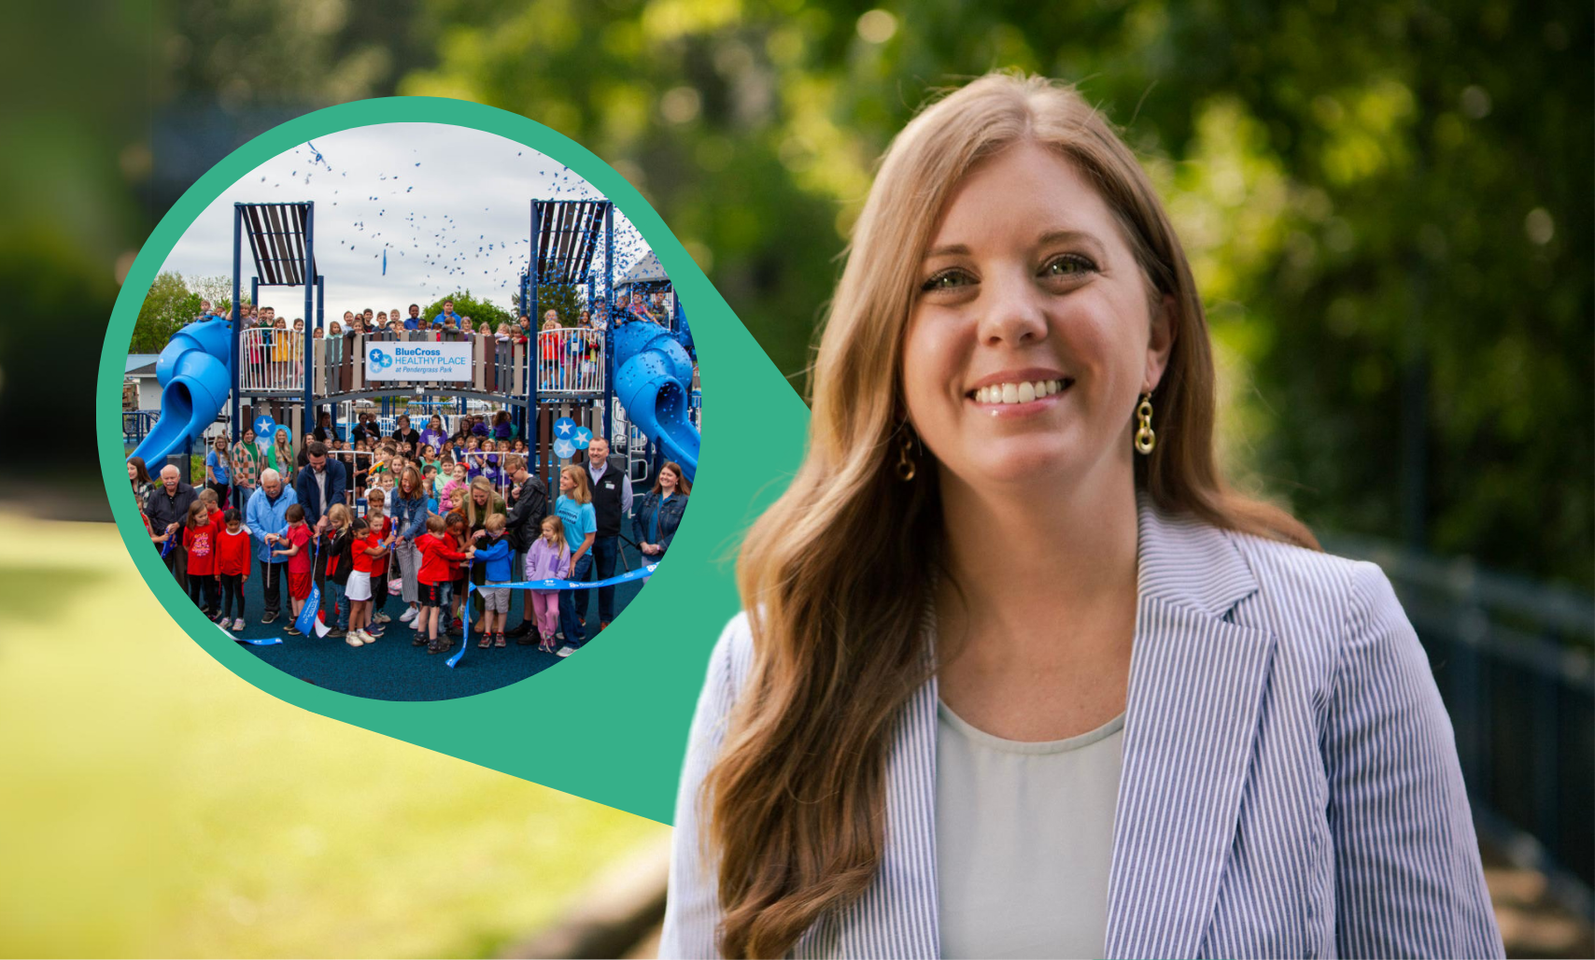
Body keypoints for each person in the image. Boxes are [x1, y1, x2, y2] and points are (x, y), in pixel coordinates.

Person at [659, 73, 1503, 960]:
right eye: (947, 280)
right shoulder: (770, 668)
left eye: (1065, 265)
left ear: (1157, 338)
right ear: (889, 351)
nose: (1011, 318)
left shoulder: (1335, 641)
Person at [576, 437, 632, 634]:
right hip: (583, 537)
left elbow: (626, 503)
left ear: (607, 451)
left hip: (607, 536)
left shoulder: (618, 476)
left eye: (599, 450)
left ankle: (606, 619)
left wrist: (608, 518)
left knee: (606, 578)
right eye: (592, 449)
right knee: (581, 578)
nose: (595, 453)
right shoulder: (579, 471)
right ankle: (579, 616)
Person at [553, 466, 596, 657]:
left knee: (563, 596)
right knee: (562, 596)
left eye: (565, 478)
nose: (561, 481)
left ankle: (573, 643)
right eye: (561, 477)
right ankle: (577, 630)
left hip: (581, 556)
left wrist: (574, 560)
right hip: (563, 554)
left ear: (576, 484)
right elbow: (557, 528)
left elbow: (590, 538)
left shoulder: (586, 508)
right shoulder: (561, 501)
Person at [414, 514, 473, 654]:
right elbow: (449, 554)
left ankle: (420, 635)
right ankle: (434, 642)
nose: (442, 536)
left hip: (423, 579)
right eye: (440, 533)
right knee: (435, 610)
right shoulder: (436, 543)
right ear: (430, 531)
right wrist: (465, 555)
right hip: (433, 580)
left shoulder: (426, 540)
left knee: (425, 607)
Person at [246, 468, 297, 624]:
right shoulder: (255, 497)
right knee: (270, 581)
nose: (272, 490)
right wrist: (264, 536)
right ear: (261, 484)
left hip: (288, 547)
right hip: (266, 548)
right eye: (267, 487)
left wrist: (278, 535)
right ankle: (271, 609)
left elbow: (294, 519)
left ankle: (292, 609)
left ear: (280, 481)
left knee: (292, 580)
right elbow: (251, 522)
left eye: (274, 486)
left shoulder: (291, 494)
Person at [522, 515, 570, 653]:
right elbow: (529, 561)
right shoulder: (538, 543)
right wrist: (532, 576)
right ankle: (544, 637)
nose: (544, 533)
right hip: (536, 586)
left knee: (553, 611)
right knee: (539, 613)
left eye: (548, 530)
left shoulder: (563, 547)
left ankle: (549, 633)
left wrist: (557, 580)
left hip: (552, 588)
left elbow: (564, 568)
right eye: (543, 530)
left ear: (556, 531)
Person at [389, 466, 429, 625]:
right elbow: (393, 511)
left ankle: (422, 609)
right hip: (401, 531)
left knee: (418, 571)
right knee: (405, 572)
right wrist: (393, 518)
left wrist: (404, 536)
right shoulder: (394, 492)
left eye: (410, 481)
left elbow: (419, 521)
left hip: (417, 534)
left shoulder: (423, 495)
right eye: (404, 480)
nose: (407, 484)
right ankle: (412, 606)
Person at [145, 464, 197, 582]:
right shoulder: (156, 495)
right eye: (166, 478)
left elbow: (194, 510)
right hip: (163, 542)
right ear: (162, 479)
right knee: (162, 575)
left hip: (183, 541)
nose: (169, 481)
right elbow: (150, 516)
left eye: (172, 478)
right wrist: (165, 531)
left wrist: (178, 524)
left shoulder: (189, 491)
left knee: (182, 574)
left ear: (178, 477)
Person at [470, 514, 514, 649]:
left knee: (501, 607)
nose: (492, 535)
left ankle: (500, 632)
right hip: (489, 579)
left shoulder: (505, 542)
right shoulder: (492, 539)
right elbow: (485, 558)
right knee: (488, 606)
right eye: (490, 532)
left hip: (503, 580)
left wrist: (474, 551)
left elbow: (491, 555)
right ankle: (487, 632)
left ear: (503, 529)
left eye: (495, 533)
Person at [633, 460, 690, 560]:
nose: (664, 477)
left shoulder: (685, 501)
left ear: (677, 479)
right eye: (663, 473)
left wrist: (660, 546)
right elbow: (637, 521)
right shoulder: (649, 496)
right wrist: (642, 543)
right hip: (648, 555)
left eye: (669, 475)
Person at [272, 504, 313, 635]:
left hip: (301, 568)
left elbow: (293, 551)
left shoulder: (302, 531)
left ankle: (301, 621)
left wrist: (278, 552)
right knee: (293, 593)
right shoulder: (291, 528)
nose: (291, 524)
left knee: (300, 596)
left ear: (301, 518)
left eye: (293, 522)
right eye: (289, 521)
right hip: (293, 567)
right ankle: (295, 619)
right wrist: (278, 538)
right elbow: (288, 543)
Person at [318, 503, 356, 642]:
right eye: (331, 521)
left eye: (336, 521)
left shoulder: (344, 534)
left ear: (344, 519)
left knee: (342, 600)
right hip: (342, 570)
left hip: (343, 572)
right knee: (343, 599)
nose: (333, 524)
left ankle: (343, 625)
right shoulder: (344, 531)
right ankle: (343, 622)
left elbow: (332, 551)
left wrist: (323, 538)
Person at [294, 440, 348, 531]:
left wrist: (325, 516)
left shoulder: (337, 467)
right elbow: (303, 502)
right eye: (314, 464)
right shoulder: (303, 475)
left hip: (337, 522)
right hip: (315, 524)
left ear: (326, 456)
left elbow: (338, 493)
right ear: (308, 457)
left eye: (321, 463)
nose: (318, 467)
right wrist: (313, 525)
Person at [214, 508, 251, 631]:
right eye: (231, 524)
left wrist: (245, 572)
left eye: (236, 524)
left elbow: (247, 555)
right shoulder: (221, 536)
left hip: (239, 572)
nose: (234, 527)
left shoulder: (244, 536)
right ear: (226, 523)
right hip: (225, 571)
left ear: (240, 523)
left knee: (239, 594)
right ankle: (227, 617)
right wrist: (217, 571)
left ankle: (240, 618)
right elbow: (218, 554)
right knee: (228, 594)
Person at [181, 501, 219, 615]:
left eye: (205, 515)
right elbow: (186, 544)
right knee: (195, 590)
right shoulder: (189, 528)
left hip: (208, 565)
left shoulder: (212, 525)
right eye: (200, 516)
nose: (203, 518)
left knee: (210, 590)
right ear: (193, 517)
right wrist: (195, 553)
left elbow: (215, 542)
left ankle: (213, 611)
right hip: (194, 566)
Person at [230, 428, 259, 510]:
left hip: (254, 480)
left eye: (251, 434)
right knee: (250, 499)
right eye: (247, 434)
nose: (249, 436)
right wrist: (242, 479)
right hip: (243, 480)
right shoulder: (238, 446)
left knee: (254, 500)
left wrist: (259, 477)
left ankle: (249, 520)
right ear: (243, 435)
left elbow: (260, 462)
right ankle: (243, 521)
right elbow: (235, 464)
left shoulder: (256, 446)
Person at [204, 436, 231, 506]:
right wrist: (216, 483)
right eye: (219, 442)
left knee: (221, 505)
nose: (221, 444)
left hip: (224, 484)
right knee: (215, 506)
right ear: (215, 443)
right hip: (216, 484)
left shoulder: (225, 454)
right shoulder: (212, 454)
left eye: (223, 442)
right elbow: (209, 469)